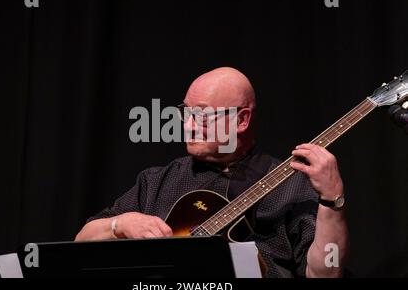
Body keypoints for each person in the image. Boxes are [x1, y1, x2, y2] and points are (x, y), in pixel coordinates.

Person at [75, 67, 348, 278]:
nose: (189, 125)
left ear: (241, 120)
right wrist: (120, 225)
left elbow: (325, 273)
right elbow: (82, 240)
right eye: (186, 112)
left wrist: (332, 201)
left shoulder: (292, 183)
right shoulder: (158, 180)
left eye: (202, 115)